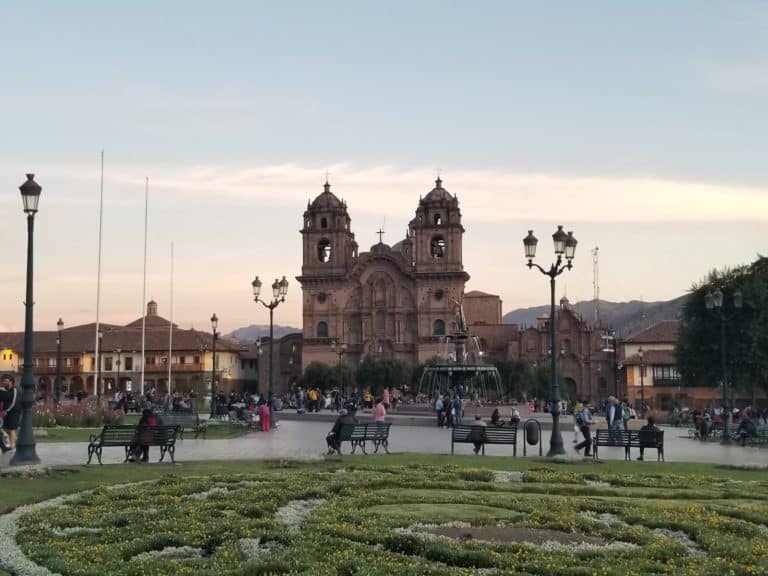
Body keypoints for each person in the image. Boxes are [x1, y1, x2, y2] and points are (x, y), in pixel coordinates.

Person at [0, 374, 21, 451]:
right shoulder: (3, 390)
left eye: (6, 381)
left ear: (11, 382)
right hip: (6, 413)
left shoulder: (15, 390)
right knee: (6, 429)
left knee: (12, 429)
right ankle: (14, 441)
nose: (4, 382)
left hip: (14, 412)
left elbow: (13, 402)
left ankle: (12, 446)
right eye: (3, 381)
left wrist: (7, 410)